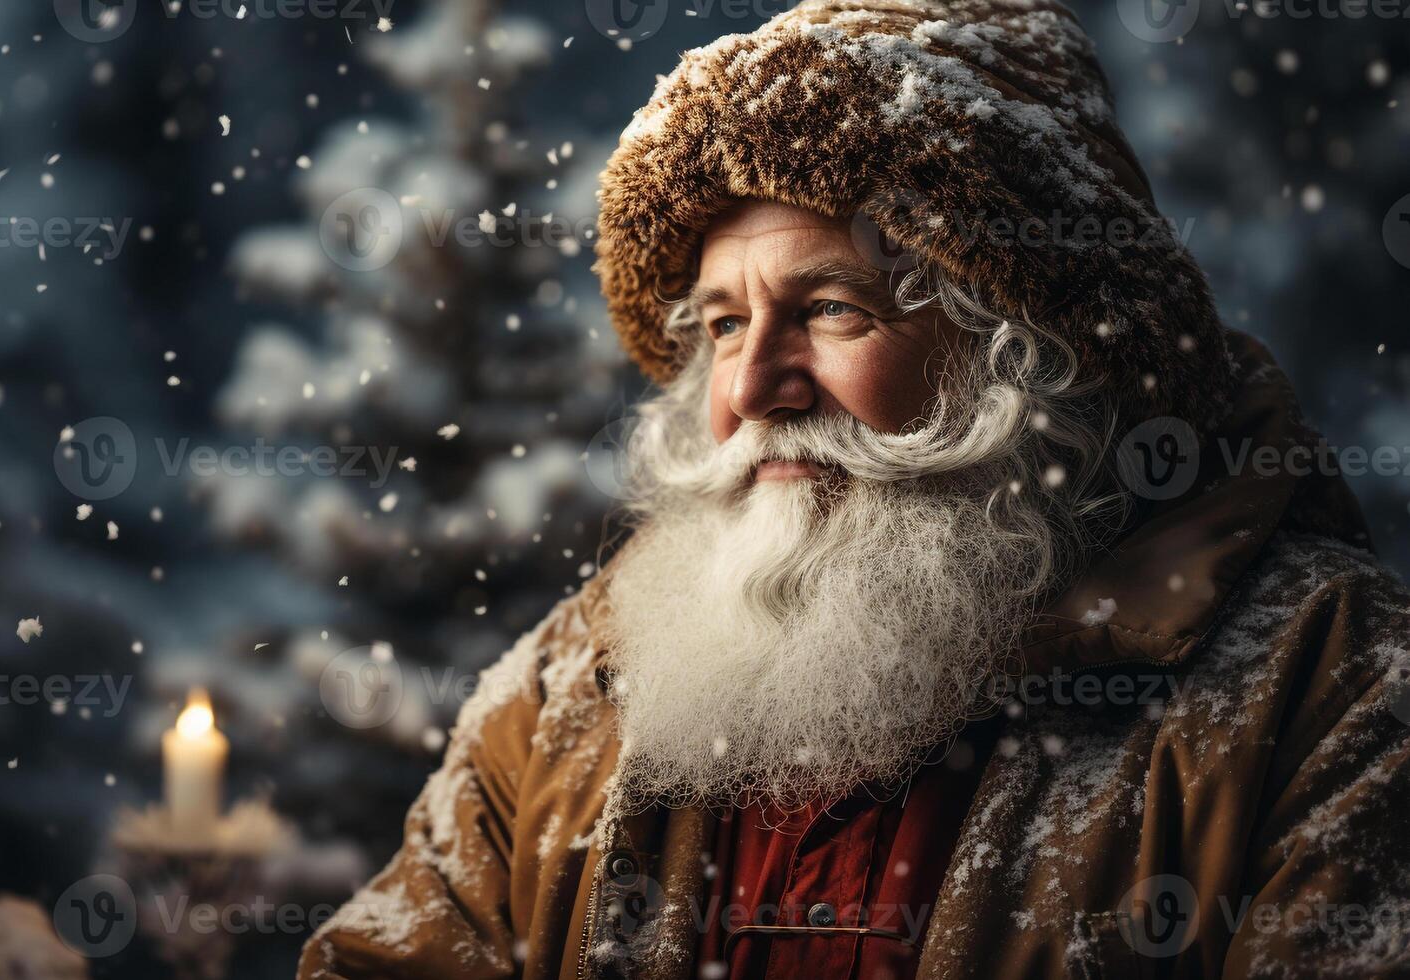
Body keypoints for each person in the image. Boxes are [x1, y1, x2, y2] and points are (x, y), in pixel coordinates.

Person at [300, 1, 1410, 976]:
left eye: (832, 307)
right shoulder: (575, 681)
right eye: (725, 321)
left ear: (1029, 352)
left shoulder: (1328, 688)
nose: (752, 385)